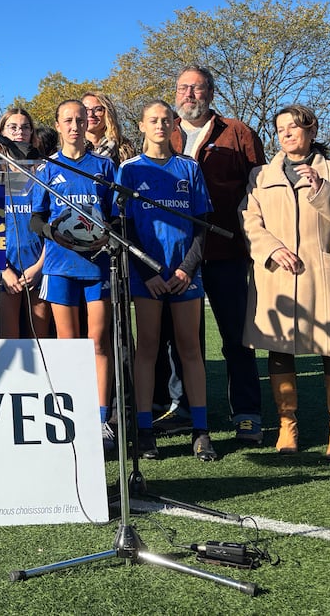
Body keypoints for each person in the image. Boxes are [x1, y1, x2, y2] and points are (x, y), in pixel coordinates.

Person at [239, 105, 330, 458]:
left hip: (324, 275)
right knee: (279, 348)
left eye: (294, 127)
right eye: (281, 129)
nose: (287, 134)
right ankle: (287, 427)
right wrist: (270, 248)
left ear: (311, 131)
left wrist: (323, 189)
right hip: (277, 274)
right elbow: (250, 222)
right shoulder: (260, 176)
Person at [168, 65, 266, 444]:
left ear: (211, 93)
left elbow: (259, 189)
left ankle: (246, 413)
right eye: (182, 88)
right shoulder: (165, 132)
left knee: (236, 337)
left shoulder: (237, 132)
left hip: (226, 251)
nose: (189, 94)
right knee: (182, 339)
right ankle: (182, 409)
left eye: (196, 88)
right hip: (179, 257)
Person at [120, 100, 216, 461]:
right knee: (147, 349)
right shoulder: (128, 170)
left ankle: (201, 431)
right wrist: (149, 273)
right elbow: (124, 228)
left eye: (166, 120)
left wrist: (186, 269)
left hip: (183, 276)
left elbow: (200, 227)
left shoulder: (187, 168)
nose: (160, 125)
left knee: (190, 349)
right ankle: (145, 431)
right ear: (142, 126)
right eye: (153, 120)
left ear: (175, 124)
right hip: (149, 278)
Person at [29, 100, 117, 449]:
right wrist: (57, 235)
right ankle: (71, 414)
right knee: (68, 345)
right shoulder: (47, 169)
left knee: (97, 341)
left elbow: (115, 215)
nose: (75, 126)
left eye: (80, 119)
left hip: (95, 265)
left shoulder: (104, 167)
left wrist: (107, 232)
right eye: (67, 120)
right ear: (58, 124)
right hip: (60, 266)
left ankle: (100, 419)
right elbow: (35, 219)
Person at [0, 107, 50, 339]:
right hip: (5, 272)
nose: (20, 132)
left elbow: (53, 225)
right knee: (11, 342)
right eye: (13, 127)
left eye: (25, 127)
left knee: (40, 342)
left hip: (38, 270)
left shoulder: (43, 174)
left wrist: (39, 267)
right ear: (1, 133)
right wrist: (3, 270)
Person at [82, 91, 132, 164]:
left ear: (108, 114)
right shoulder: (72, 149)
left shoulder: (124, 149)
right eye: (85, 110)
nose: (91, 114)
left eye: (98, 109)